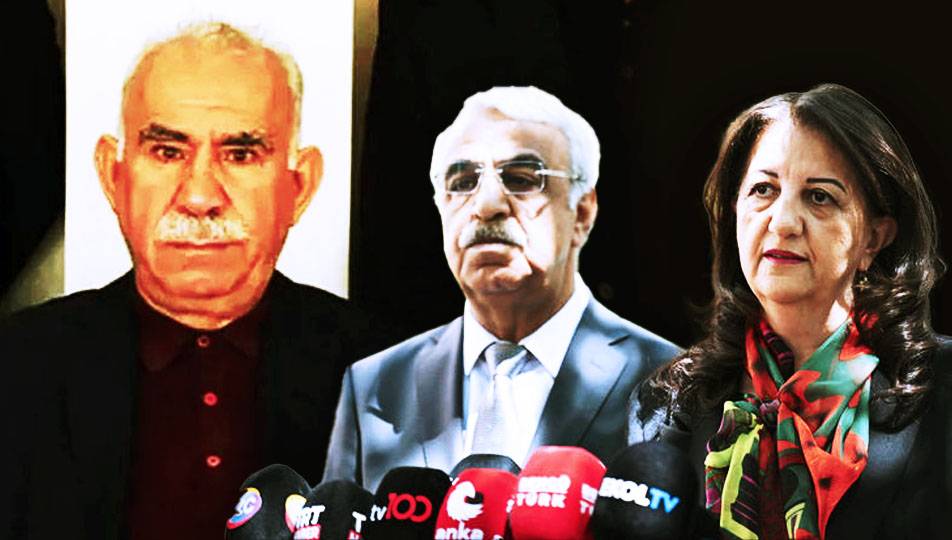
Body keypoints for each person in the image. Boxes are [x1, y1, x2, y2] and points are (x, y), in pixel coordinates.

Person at [0, 22, 383, 538]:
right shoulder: (16, 367)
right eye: (167, 151)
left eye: (241, 154)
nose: (200, 196)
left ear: (300, 185)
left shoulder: (394, 373)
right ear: (113, 175)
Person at [631, 83, 951, 539]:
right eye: (763, 189)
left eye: (819, 196)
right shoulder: (665, 406)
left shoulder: (942, 392)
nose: (782, 222)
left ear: (874, 238)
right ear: (734, 213)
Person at [323, 86, 680, 492]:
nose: (487, 204)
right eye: (462, 181)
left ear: (582, 212)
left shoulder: (666, 380)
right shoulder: (375, 385)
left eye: (522, 179)